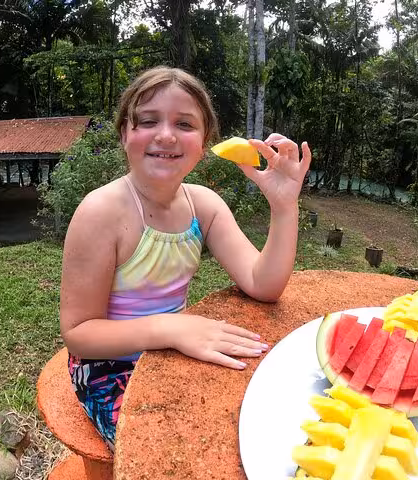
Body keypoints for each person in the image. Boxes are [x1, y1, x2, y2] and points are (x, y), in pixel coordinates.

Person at [59, 66, 311, 450]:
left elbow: (264, 284)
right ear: (125, 132)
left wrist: (283, 206)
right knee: (174, 451)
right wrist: (173, 329)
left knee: (257, 426)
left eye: (184, 124)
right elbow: (79, 333)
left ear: (204, 139)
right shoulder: (101, 212)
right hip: (107, 367)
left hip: (175, 348)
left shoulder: (204, 205)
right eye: (147, 121)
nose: (165, 134)